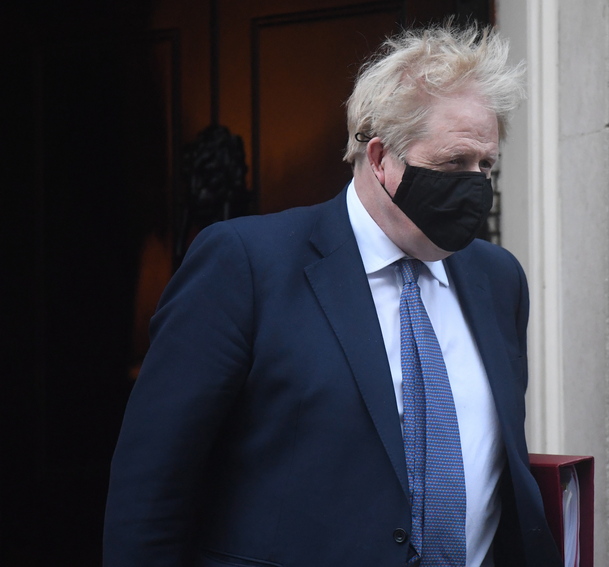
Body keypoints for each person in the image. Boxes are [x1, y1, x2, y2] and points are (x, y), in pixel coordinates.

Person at [104, 23, 563, 567]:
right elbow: (152, 488)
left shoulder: (498, 279)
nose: (476, 184)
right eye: (454, 163)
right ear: (380, 158)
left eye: (486, 165)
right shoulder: (246, 265)